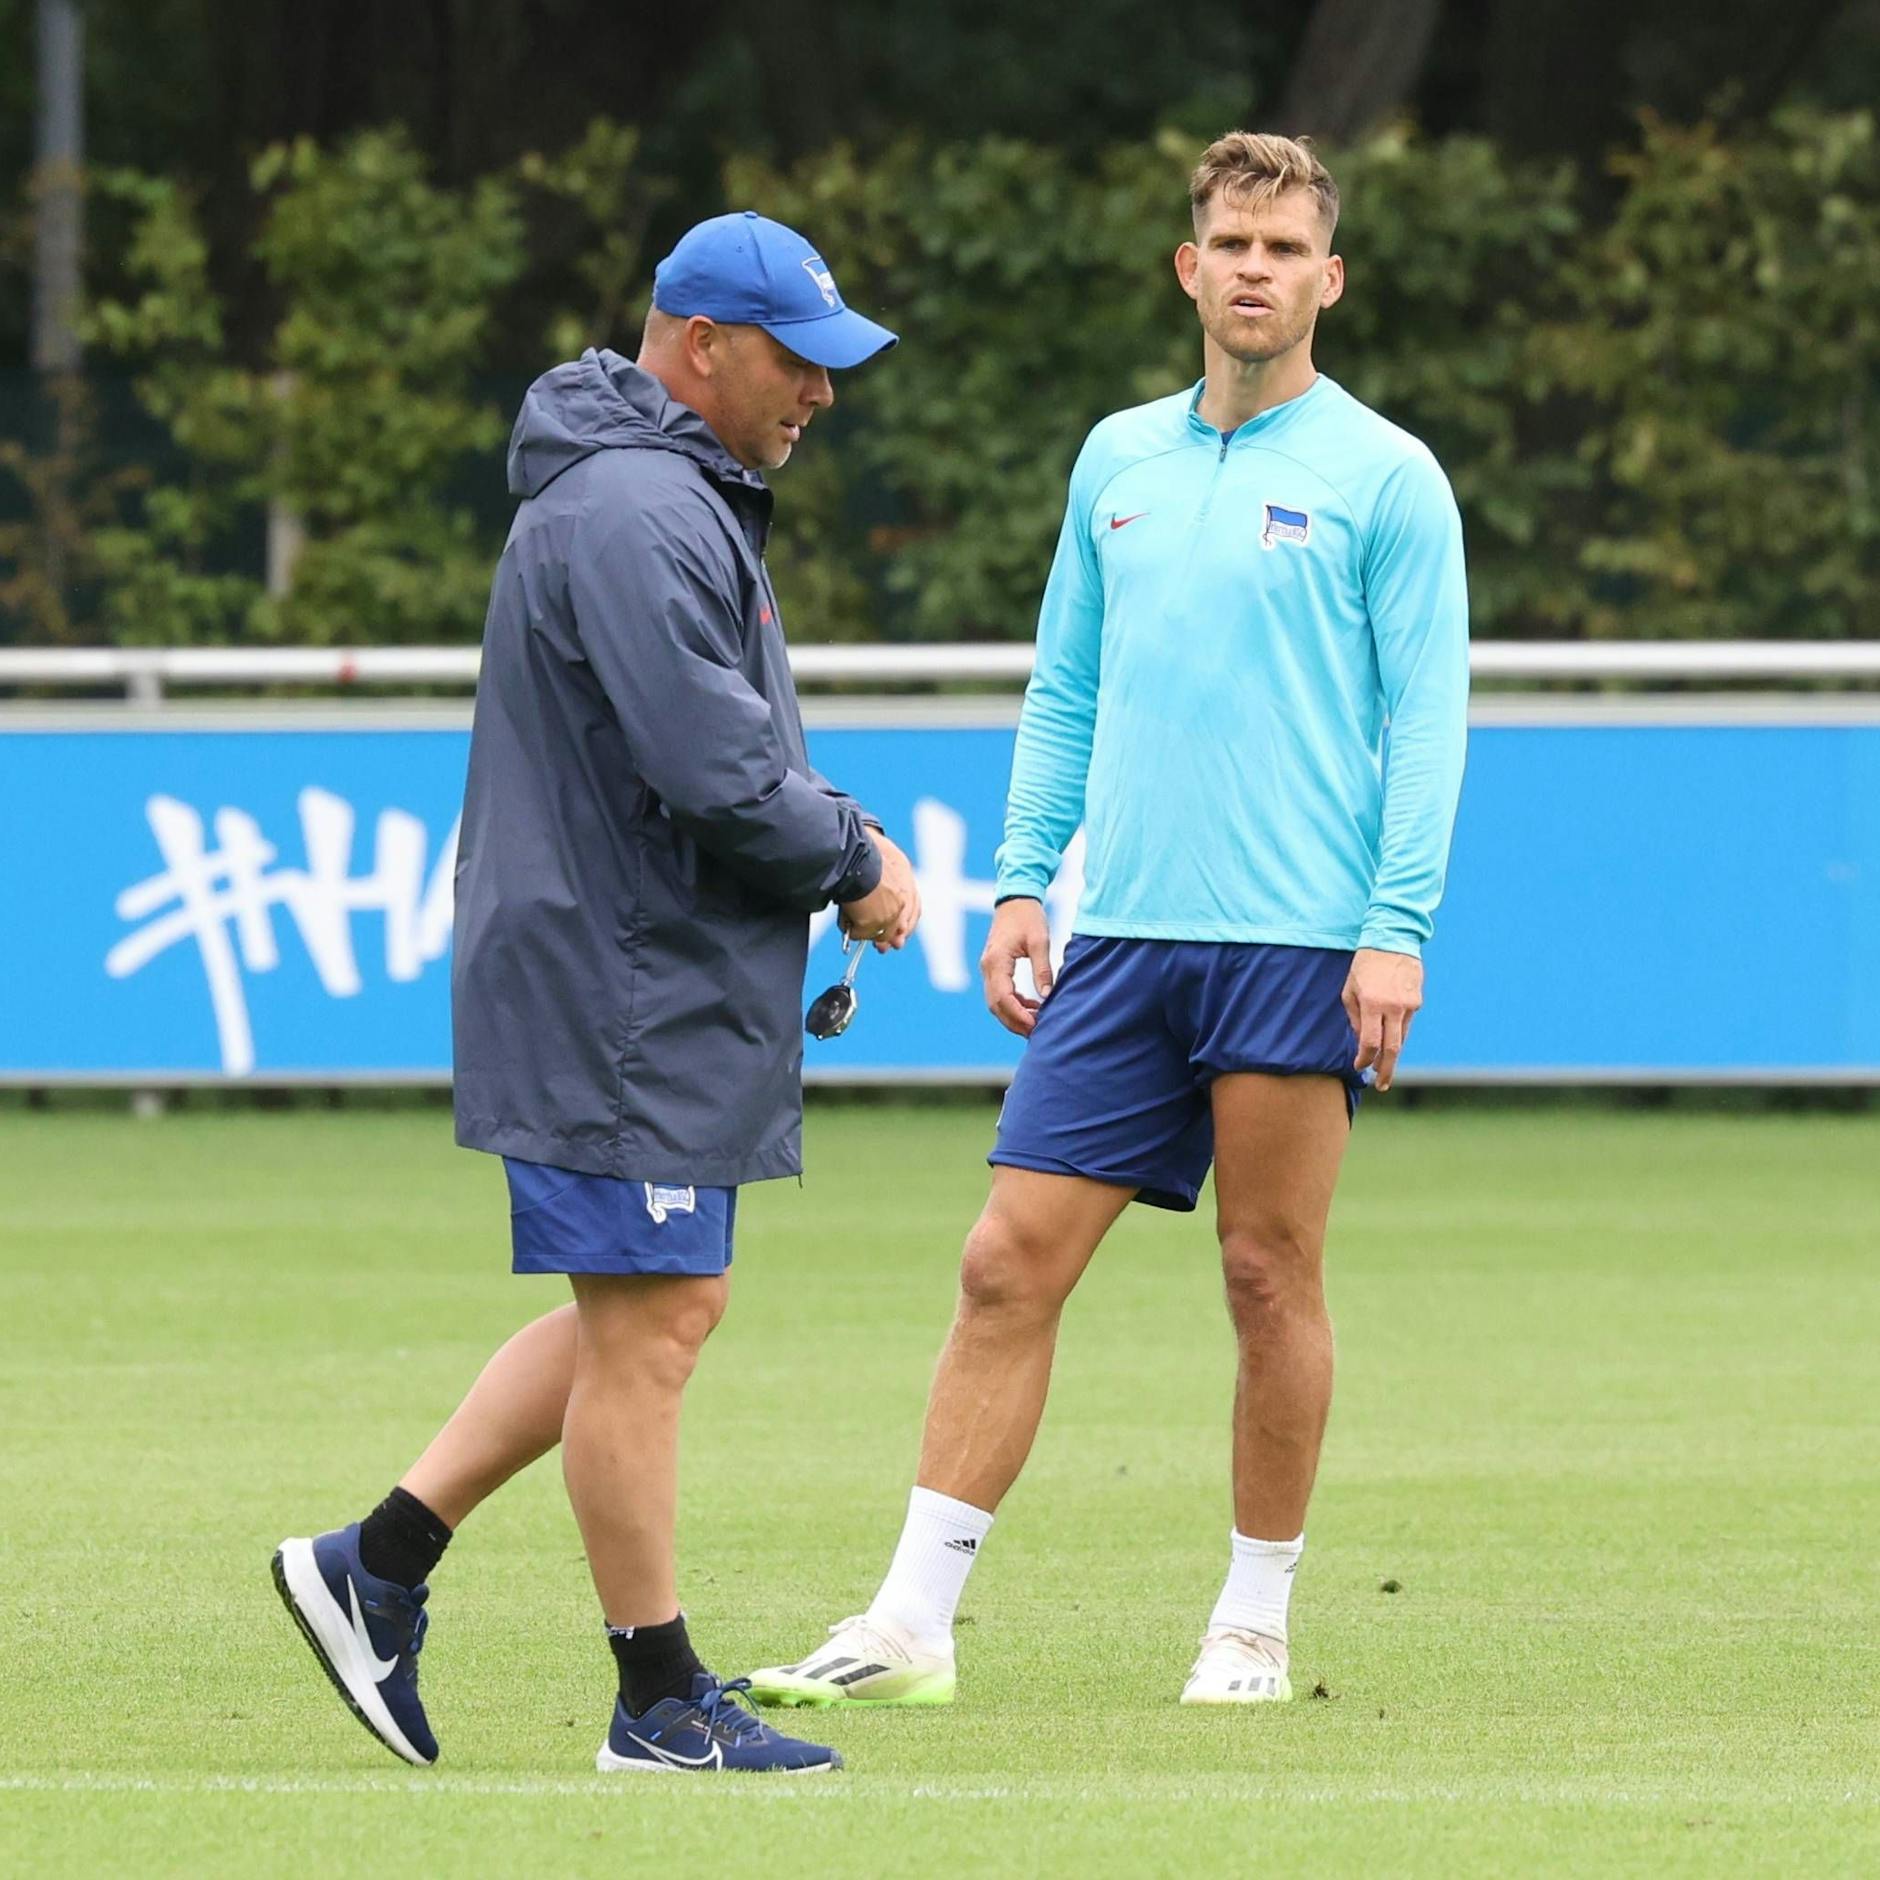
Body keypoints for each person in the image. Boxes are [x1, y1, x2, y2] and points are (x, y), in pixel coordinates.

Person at [745, 131, 1468, 1711]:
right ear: (1189, 269)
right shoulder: (1117, 460)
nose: (1258, 268)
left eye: (1287, 247)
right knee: (1006, 1262)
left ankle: (1254, 1620)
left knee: (1268, 1274)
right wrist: (1024, 877)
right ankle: (910, 1623)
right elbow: (1065, 684)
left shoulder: (1386, 478)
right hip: (1122, 938)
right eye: (1234, 243)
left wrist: (1394, 927)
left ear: (1328, 279)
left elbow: (1428, 722)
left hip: (1294, 942)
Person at [273, 212, 918, 1776]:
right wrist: (855, 858)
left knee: (651, 1313)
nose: (821, 394)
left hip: (636, 973)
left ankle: (378, 1566)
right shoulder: (638, 505)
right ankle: (657, 1701)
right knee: (651, 1334)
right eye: (795, 361)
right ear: (700, 343)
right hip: (620, 983)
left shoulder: (657, 490)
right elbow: (711, 769)